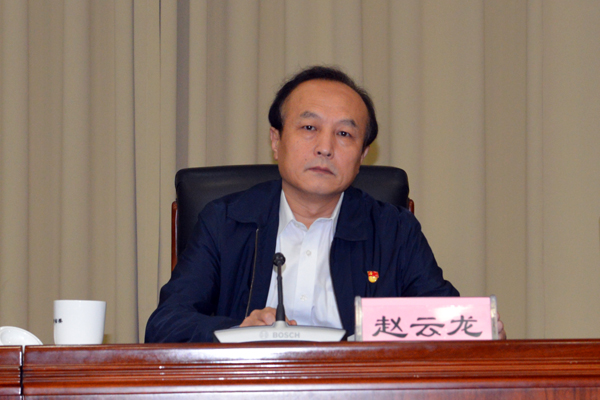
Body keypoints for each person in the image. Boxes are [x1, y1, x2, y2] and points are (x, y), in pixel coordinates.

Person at [145, 66, 505, 343]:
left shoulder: (393, 230)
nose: (325, 147)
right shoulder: (225, 221)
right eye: (309, 128)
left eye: (344, 134)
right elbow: (166, 324)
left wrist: (478, 328)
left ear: (363, 155)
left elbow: (443, 321)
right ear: (276, 140)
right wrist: (240, 330)